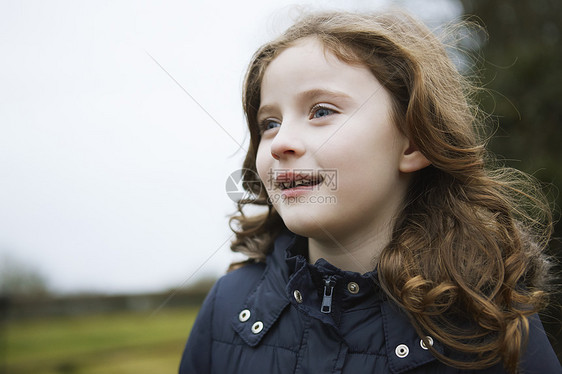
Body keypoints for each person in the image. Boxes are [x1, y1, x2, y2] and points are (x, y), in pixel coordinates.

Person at [179, 10, 561, 374]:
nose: (281, 143)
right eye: (270, 123)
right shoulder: (226, 307)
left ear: (412, 142)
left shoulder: (486, 316)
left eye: (321, 111)